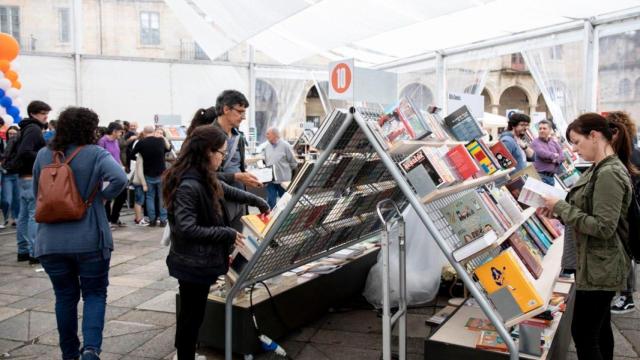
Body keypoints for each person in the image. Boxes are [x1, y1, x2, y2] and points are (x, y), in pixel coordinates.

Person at [162, 126, 269, 360]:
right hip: (192, 262)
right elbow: (186, 228)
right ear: (207, 152)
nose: (223, 158)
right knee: (191, 316)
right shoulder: (189, 184)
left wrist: (256, 200)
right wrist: (226, 233)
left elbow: (227, 191)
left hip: (198, 260)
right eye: (221, 152)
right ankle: (185, 355)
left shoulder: (201, 175)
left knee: (193, 314)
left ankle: (186, 354)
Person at [33, 107, 127, 360]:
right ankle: (91, 350)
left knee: (64, 297)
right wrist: (99, 199)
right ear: (89, 128)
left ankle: (69, 354)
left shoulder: (44, 154)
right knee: (95, 294)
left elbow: (37, 193)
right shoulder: (95, 153)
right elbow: (120, 178)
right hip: (89, 238)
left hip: (50, 241)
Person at [540, 113, 634, 360]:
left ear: (594, 136)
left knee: (584, 334)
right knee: (598, 330)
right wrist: (558, 210)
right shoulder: (601, 168)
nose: (574, 148)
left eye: (576, 141)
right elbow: (587, 211)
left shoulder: (609, 173)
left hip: (600, 267)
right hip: (596, 264)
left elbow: (603, 227)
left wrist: (561, 207)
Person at [605, 111, 639, 314]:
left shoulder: (625, 156)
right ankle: (625, 295)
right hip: (630, 212)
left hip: (628, 214)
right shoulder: (630, 152)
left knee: (626, 254)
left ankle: (626, 297)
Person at [14, 100, 50, 263]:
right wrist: (44, 157)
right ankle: (33, 251)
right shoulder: (34, 129)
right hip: (30, 176)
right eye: (43, 113)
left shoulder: (26, 127)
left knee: (23, 215)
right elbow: (25, 151)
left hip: (23, 176)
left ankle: (23, 250)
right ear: (34, 114)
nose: (46, 116)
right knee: (32, 215)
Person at [131, 126, 170, 227]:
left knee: (149, 197)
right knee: (162, 197)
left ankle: (152, 220)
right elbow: (168, 149)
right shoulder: (160, 141)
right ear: (153, 132)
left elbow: (131, 154)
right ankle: (163, 220)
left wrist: (141, 155)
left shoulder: (141, 142)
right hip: (161, 173)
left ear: (144, 132)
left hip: (148, 174)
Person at [98, 122, 128, 227]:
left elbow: (117, 156)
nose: (121, 134)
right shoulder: (102, 141)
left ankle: (115, 217)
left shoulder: (116, 141)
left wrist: (121, 167)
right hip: (106, 174)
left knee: (123, 194)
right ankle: (107, 220)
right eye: (120, 131)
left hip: (117, 171)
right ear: (114, 131)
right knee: (107, 197)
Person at [262, 127, 298, 208]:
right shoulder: (267, 147)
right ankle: (272, 218)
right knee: (271, 201)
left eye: (268, 134)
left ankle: (284, 218)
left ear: (275, 135)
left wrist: (293, 180)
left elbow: (293, 163)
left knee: (285, 202)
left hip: (284, 180)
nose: (266, 135)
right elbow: (266, 162)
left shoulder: (286, 146)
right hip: (271, 180)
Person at [530, 119, 563, 185]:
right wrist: (555, 156)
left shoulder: (553, 142)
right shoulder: (535, 143)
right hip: (541, 177)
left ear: (550, 130)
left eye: (544, 128)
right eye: (540, 128)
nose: (541, 130)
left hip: (551, 178)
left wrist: (555, 160)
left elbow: (562, 156)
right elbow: (543, 154)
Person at [1, 125, 20, 228]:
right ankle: (6, 217)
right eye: (10, 133)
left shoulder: (19, 146)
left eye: (14, 133)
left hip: (17, 174)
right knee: (6, 200)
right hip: (6, 175)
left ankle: (15, 218)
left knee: (16, 199)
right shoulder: (4, 145)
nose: (12, 135)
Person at [130, 131, 149, 226]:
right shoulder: (140, 156)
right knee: (139, 200)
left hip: (138, 180)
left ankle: (138, 218)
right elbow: (139, 171)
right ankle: (138, 219)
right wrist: (144, 183)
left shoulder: (140, 155)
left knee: (140, 200)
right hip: (138, 181)